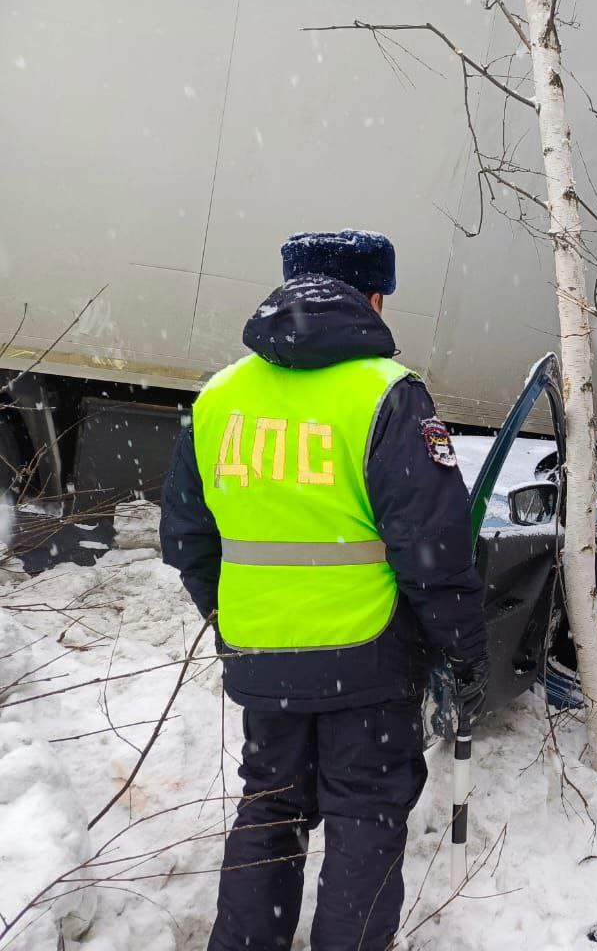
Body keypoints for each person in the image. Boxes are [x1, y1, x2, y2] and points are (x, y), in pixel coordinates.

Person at [160, 229, 489, 951]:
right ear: (371, 299)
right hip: (366, 659)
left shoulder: (219, 397)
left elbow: (186, 538)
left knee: (270, 809)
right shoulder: (387, 395)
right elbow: (434, 550)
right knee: (366, 815)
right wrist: (463, 651)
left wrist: (233, 615)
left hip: (259, 655)